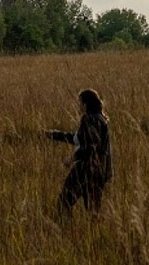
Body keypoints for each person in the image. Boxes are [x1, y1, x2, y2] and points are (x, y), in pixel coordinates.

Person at [45, 89, 113, 217]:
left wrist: (72, 158)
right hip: (100, 172)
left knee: (63, 202)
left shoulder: (89, 119)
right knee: (93, 211)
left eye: (80, 103)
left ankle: (64, 229)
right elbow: (78, 139)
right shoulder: (100, 119)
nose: (78, 106)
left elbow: (91, 146)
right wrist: (54, 135)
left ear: (85, 104)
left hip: (85, 169)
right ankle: (96, 234)